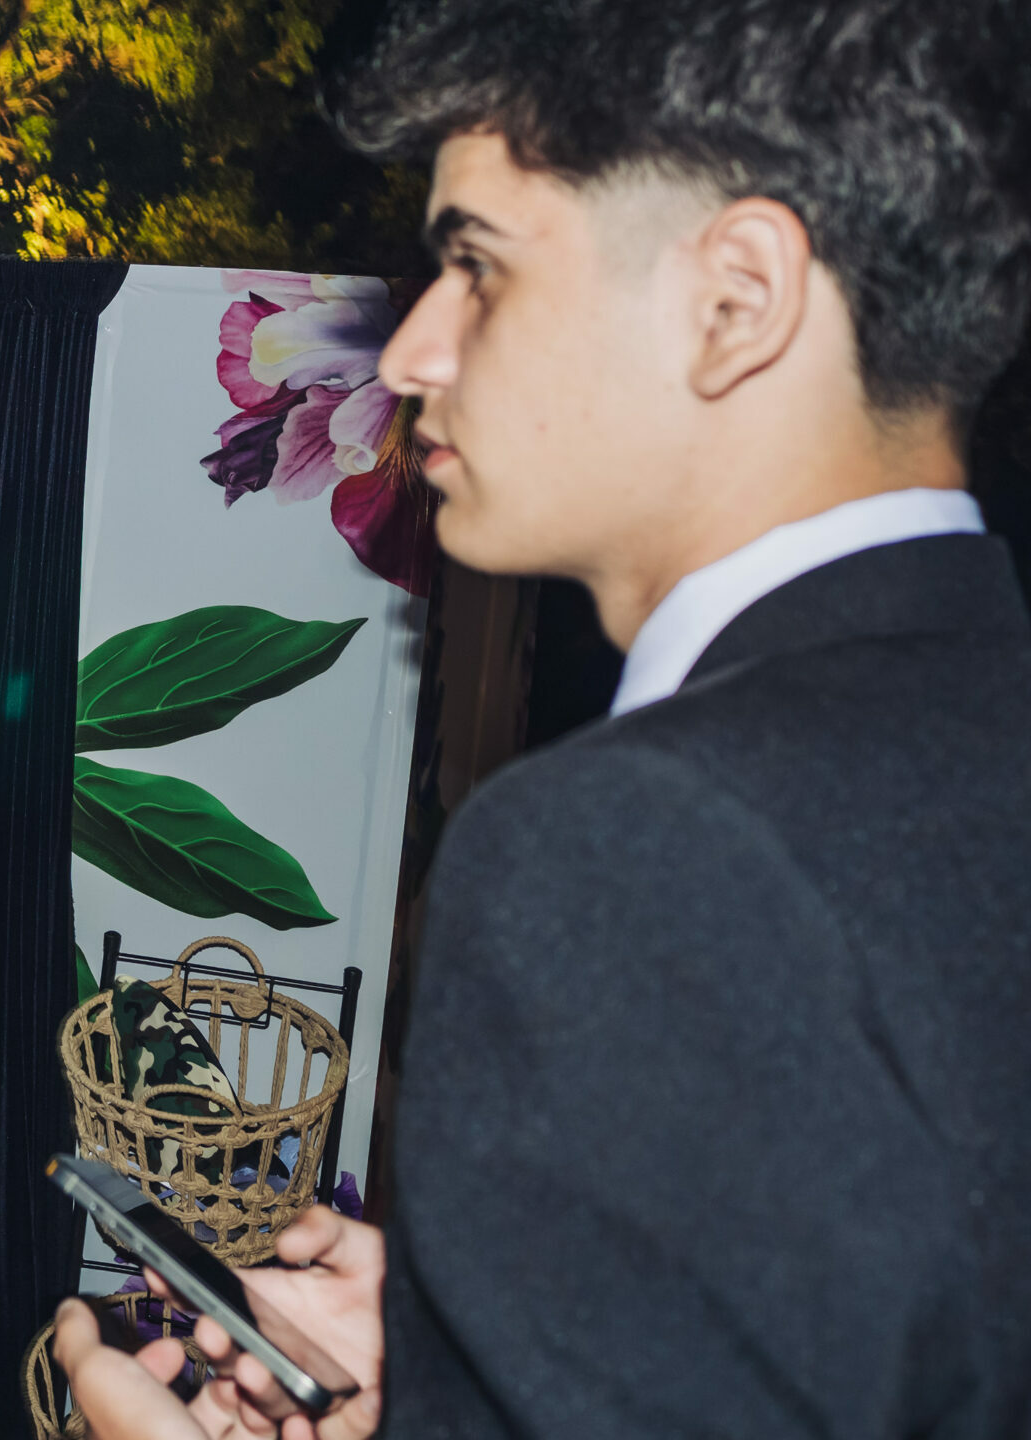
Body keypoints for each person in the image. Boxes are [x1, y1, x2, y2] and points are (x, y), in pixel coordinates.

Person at [57, 0, 1031, 1435]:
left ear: (738, 300)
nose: (408, 353)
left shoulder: (636, 845)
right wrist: (467, 1365)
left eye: (476, 266)